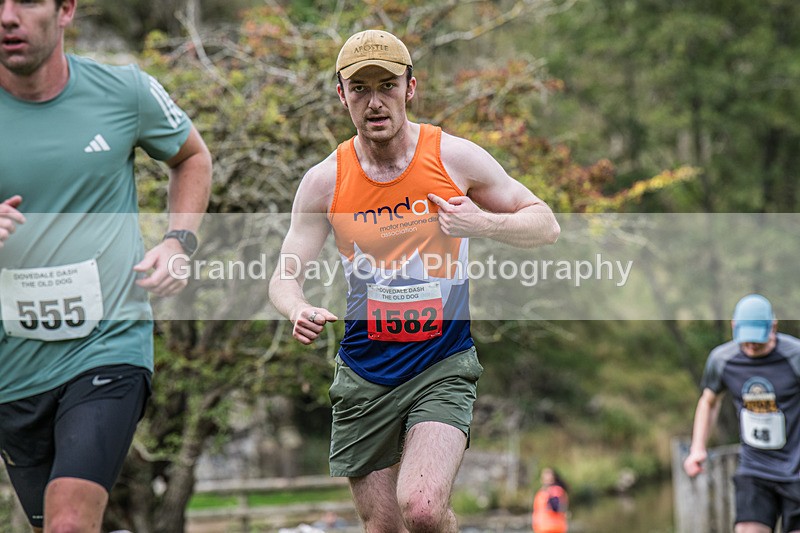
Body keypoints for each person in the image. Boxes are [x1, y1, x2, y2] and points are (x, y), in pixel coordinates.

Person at [269, 28, 559, 533]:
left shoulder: (452, 158)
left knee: (422, 509)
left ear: (411, 88)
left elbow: (545, 223)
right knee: (383, 526)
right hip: (365, 373)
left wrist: (482, 224)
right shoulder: (324, 182)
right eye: (360, 89)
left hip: (441, 363)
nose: (375, 102)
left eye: (387, 86)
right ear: (342, 95)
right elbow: (284, 273)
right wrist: (296, 307)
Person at [0, 0, 212, 531]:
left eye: (25, 1)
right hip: (13, 367)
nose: (7, 17)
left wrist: (177, 242)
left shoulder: (125, 92)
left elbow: (192, 157)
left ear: (65, 9)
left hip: (108, 344)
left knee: (70, 520)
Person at [683, 294, 800, 533]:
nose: (751, 346)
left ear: (773, 327)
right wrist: (697, 448)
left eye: (757, 340)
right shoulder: (722, 360)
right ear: (734, 327)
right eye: (745, 340)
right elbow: (709, 402)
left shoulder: (795, 356)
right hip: (755, 468)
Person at [532, 467, 569, 533]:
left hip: (553, 528)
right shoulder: (541, 492)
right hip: (541, 528)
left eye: (548, 475)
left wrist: (553, 503)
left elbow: (557, 506)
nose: (545, 478)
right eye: (544, 475)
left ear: (553, 478)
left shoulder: (556, 490)